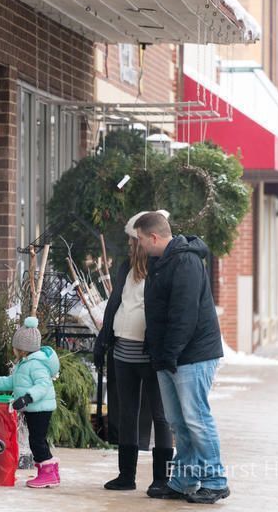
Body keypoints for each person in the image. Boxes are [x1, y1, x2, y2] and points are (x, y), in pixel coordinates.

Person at [133, 212, 229, 505]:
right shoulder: (160, 262)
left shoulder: (186, 262)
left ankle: (215, 481)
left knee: (196, 419)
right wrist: (158, 351)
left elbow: (184, 315)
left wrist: (169, 354)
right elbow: (158, 312)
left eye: (140, 239)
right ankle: (184, 481)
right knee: (179, 423)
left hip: (192, 355)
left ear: (153, 237)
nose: (138, 245)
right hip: (169, 355)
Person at [93, 210, 174, 493]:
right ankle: (126, 475)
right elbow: (115, 303)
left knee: (160, 416)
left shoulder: (162, 266)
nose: (130, 244)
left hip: (151, 354)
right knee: (126, 414)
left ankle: (162, 478)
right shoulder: (126, 267)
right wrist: (103, 338)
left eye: (133, 240)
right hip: (123, 351)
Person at [0, 316, 61, 488]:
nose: (13, 350)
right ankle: (51, 473)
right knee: (39, 440)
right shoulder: (25, 363)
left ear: (22, 349)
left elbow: (43, 385)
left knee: (36, 442)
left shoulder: (36, 364)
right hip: (34, 408)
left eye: (15, 347)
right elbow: (12, 382)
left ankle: (47, 474)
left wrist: (27, 398)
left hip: (40, 409)